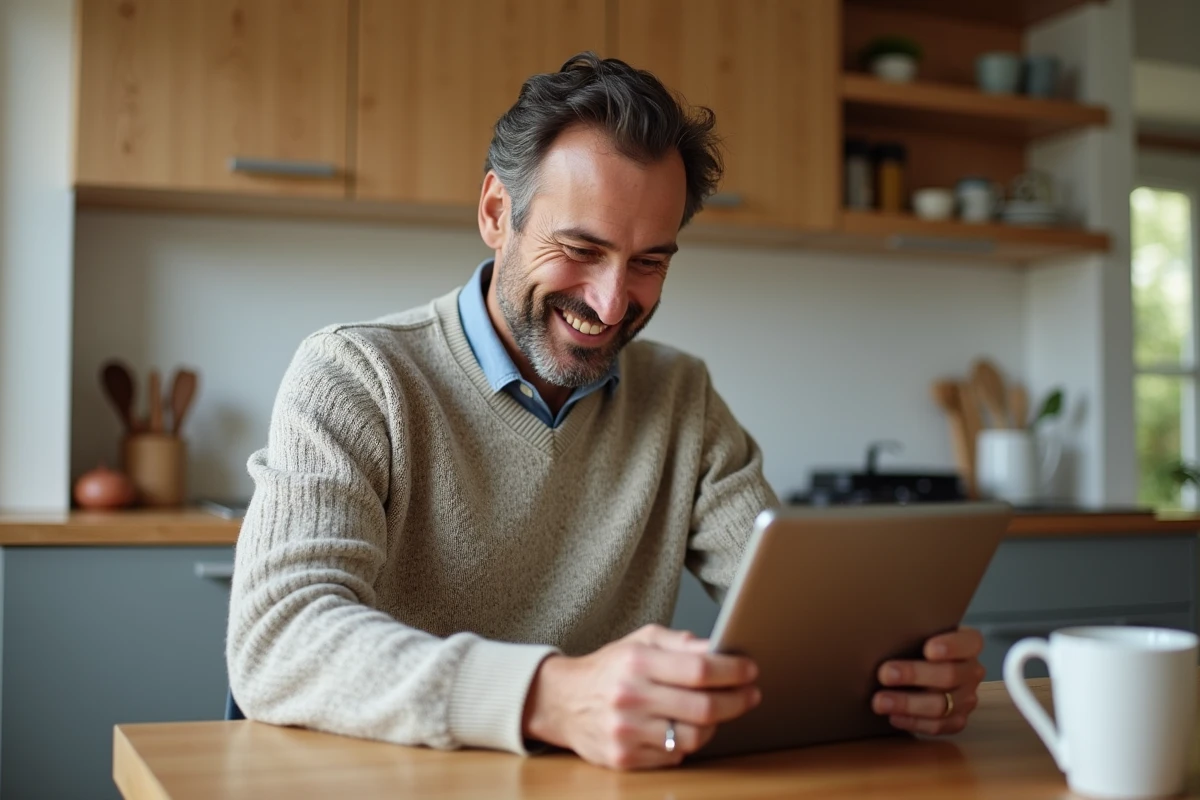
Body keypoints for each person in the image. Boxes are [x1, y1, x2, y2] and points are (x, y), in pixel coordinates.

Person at [226, 52, 987, 771]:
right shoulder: (355, 375)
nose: (613, 302)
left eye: (649, 261)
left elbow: (798, 620)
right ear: (496, 212)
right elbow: (277, 640)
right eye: (581, 250)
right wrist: (548, 697)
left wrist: (895, 674)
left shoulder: (681, 398)